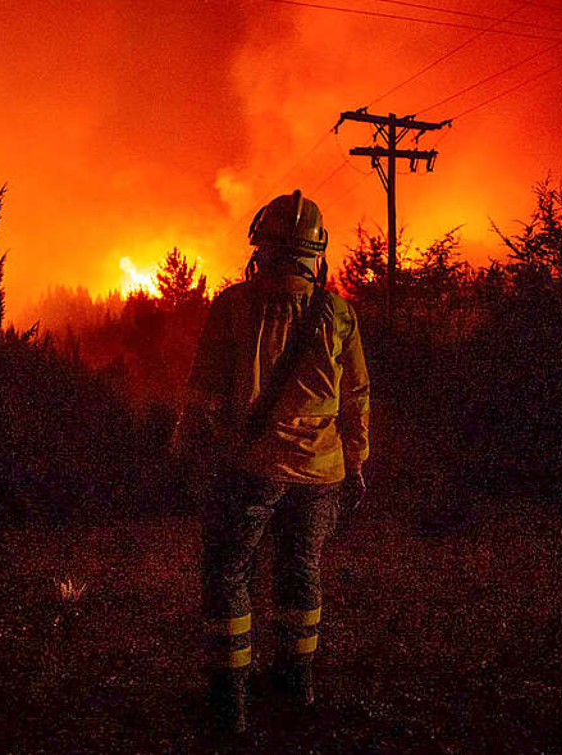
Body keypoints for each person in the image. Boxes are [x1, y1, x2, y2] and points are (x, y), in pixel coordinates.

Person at [173, 189, 370, 735]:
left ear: (260, 246)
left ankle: (229, 702)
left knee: (230, 574)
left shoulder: (234, 306)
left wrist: (188, 447)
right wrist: (355, 463)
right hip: (321, 473)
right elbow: (356, 398)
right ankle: (296, 684)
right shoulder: (340, 315)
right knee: (300, 573)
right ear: (317, 253)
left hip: (250, 469)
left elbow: (204, 393)